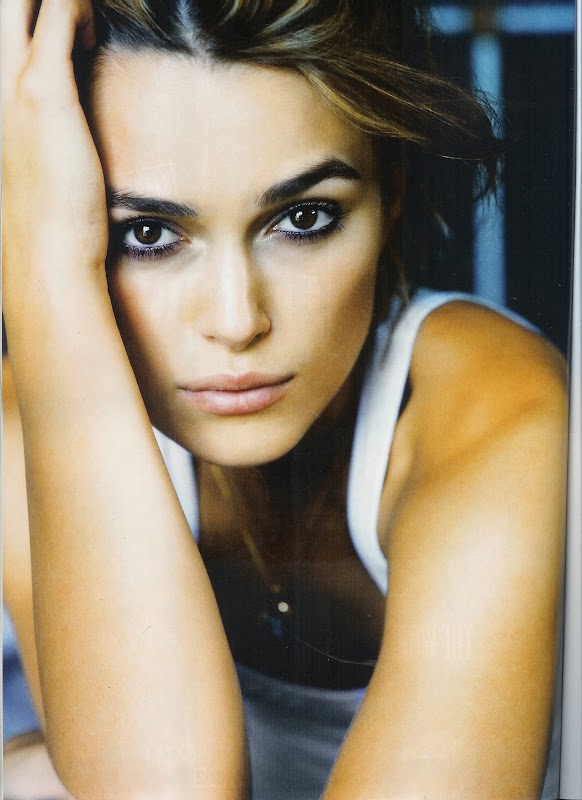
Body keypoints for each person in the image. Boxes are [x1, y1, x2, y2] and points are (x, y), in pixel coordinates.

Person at [1, 0, 568, 798]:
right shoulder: (30, 414)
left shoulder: (495, 408)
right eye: (148, 234)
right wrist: (47, 273)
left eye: (303, 218)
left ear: (391, 195)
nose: (238, 321)